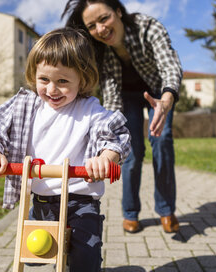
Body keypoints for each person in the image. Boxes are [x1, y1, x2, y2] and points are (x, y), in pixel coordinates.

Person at [0, 27, 131, 272]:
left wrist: (106, 157)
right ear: (34, 75)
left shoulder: (89, 110)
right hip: (43, 200)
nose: (52, 89)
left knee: (86, 254)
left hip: (80, 201)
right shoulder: (25, 104)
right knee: (34, 253)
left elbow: (115, 132)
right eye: (44, 79)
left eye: (62, 81)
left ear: (82, 80)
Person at [62, 0, 183, 234]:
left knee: (163, 140)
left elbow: (169, 63)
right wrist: (109, 138)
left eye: (104, 18)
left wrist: (167, 98)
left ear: (118, 12)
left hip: (159, 92)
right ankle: (130, 212)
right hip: (127, 97)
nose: (100, 28)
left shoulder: (147, 27)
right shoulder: (100, 52)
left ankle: (166, 210)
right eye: (92, 25)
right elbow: (112, 97)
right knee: (131, 152)